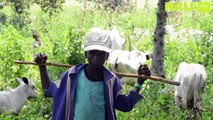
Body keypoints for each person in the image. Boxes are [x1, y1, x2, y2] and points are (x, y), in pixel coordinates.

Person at [34, 31, 151, 120]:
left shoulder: (111, 81)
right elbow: (47, 89)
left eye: (101, 54)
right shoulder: (71, 76)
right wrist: (42, 66)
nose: (96, 58)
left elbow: (126, 105)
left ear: (107, 56)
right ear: (86, 54)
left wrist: (140, 81)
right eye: (92, 53)